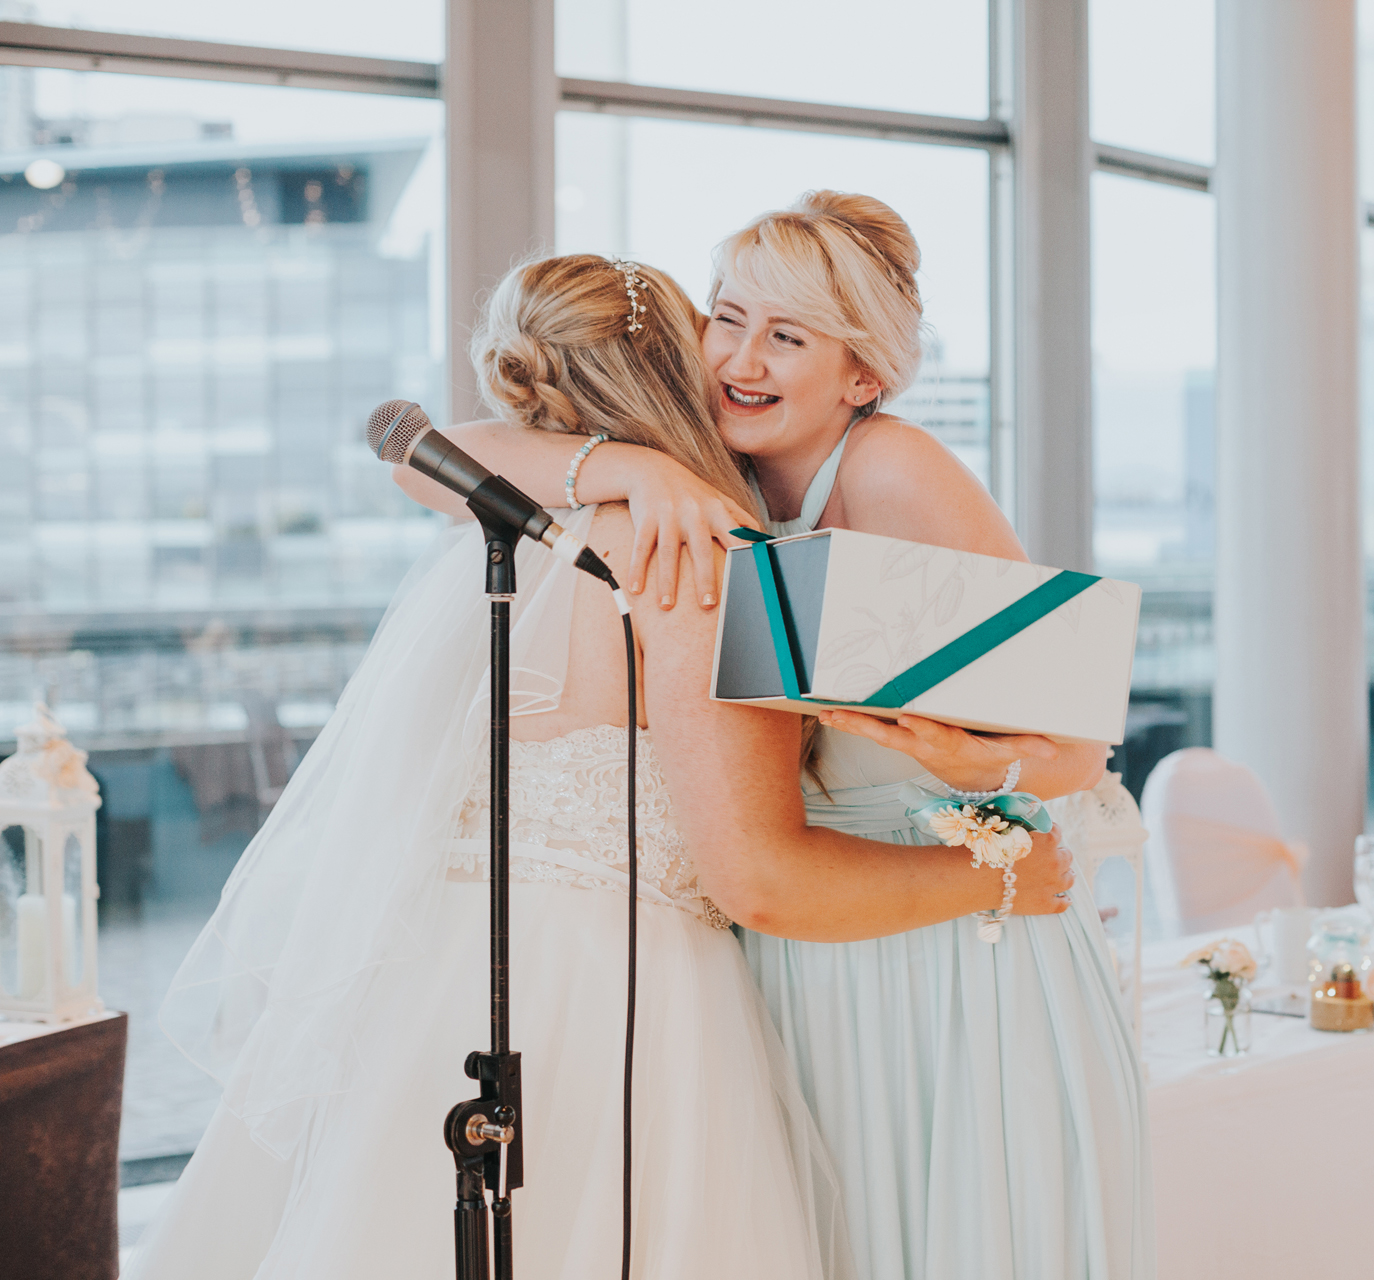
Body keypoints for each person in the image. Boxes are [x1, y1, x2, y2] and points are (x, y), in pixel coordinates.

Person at [131, 255, 1076, 1280]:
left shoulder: (503, 528)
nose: (740, 360)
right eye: (721, 324)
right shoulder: (700, 557)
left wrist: (622, 469)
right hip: (618, 999)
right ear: (679, 361)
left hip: (434, 975)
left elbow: (420, 450)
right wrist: (1008, 872)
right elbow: (759, 876)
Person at [395, 192, 1154, 1280]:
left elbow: (1077, 746)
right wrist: (628, 467)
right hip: (810, 947)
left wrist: (975, 762)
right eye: (728, 316)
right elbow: (425, 457)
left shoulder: (895, 471)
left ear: (862, 374)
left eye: (787, 336)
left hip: (952, 942)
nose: (742, 358)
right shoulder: (714, 489)